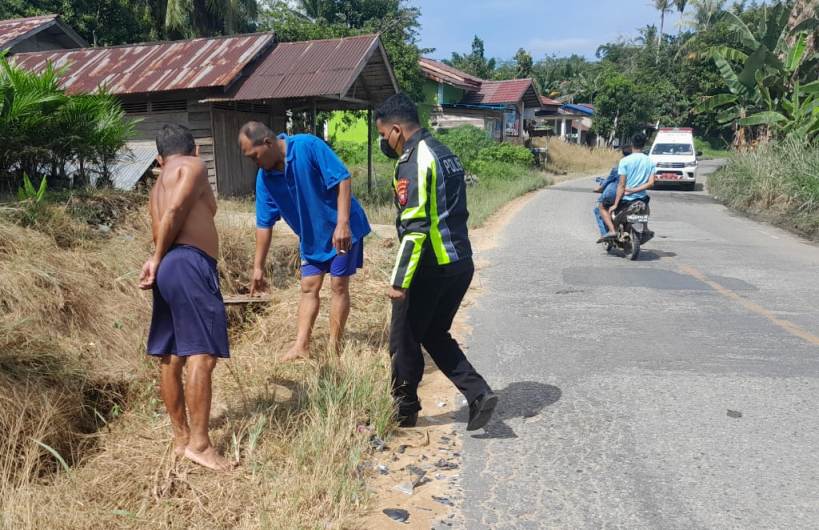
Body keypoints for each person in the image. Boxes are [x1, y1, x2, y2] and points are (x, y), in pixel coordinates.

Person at [375, 93, 497, 431]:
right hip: (461, 262)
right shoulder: (446, 153)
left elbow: (415, 229)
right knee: (433, 333)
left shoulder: (413, 161)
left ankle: (404, 410)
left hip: (431, 267)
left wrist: (399, 282)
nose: (384, 143)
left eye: (384, 135)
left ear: (397, 130)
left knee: (403, 339)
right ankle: (478, 393)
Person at [138, 124, 233, 472]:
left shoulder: (155, 188)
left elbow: (161, 220)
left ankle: (181, 438)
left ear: (159, 158)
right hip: (188, 262)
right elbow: (175, 213)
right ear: (194, 150)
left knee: (172, 354)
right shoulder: (192, 166)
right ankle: (200, 444)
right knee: (203, 355)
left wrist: (157, 260)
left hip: (170, 267)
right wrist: (159, 258)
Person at [238, 122, 371, 361]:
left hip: (341, 229)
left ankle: (334, 348)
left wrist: (342, 224)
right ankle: (301, 346)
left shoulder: (307, 146)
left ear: (267, 143)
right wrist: (258, 268)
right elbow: (263, 224)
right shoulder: (265, 179)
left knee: (338, 285)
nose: (253, 163)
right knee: (308, 286)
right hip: (311, 237)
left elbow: (342, 178)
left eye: (254, 156)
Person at [598, 133, 656, 242]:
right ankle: (645, 228)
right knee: (646, 209)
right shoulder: (650, 161)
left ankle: (612, 230)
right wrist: (636, 190)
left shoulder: (625, 161)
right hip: (642, 199)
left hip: (626, 200)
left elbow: (621, 185)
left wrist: (615, 204)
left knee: (602, 206)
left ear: (632, 144)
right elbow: (651, 183)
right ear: (644, 145)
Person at [593, 145, 632, 239]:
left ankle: (608, 232)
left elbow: (608, 182)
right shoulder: (637, 166)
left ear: (622, 153)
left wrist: (598, 189)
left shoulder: (620, 166)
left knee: (599, 208)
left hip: (617, 194)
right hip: (633, 194)